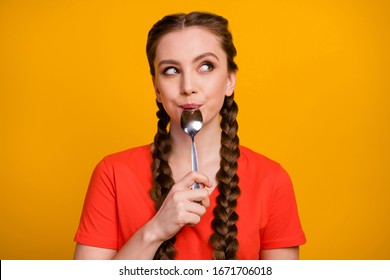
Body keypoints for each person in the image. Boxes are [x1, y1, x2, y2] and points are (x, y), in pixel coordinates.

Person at [73, 11, 306, 260]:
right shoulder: (113, 174)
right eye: (171, 70)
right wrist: (155, 230)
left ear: (229, 81)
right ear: (157, 89)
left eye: (205, 66)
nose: (187, 87)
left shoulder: (272, 180)